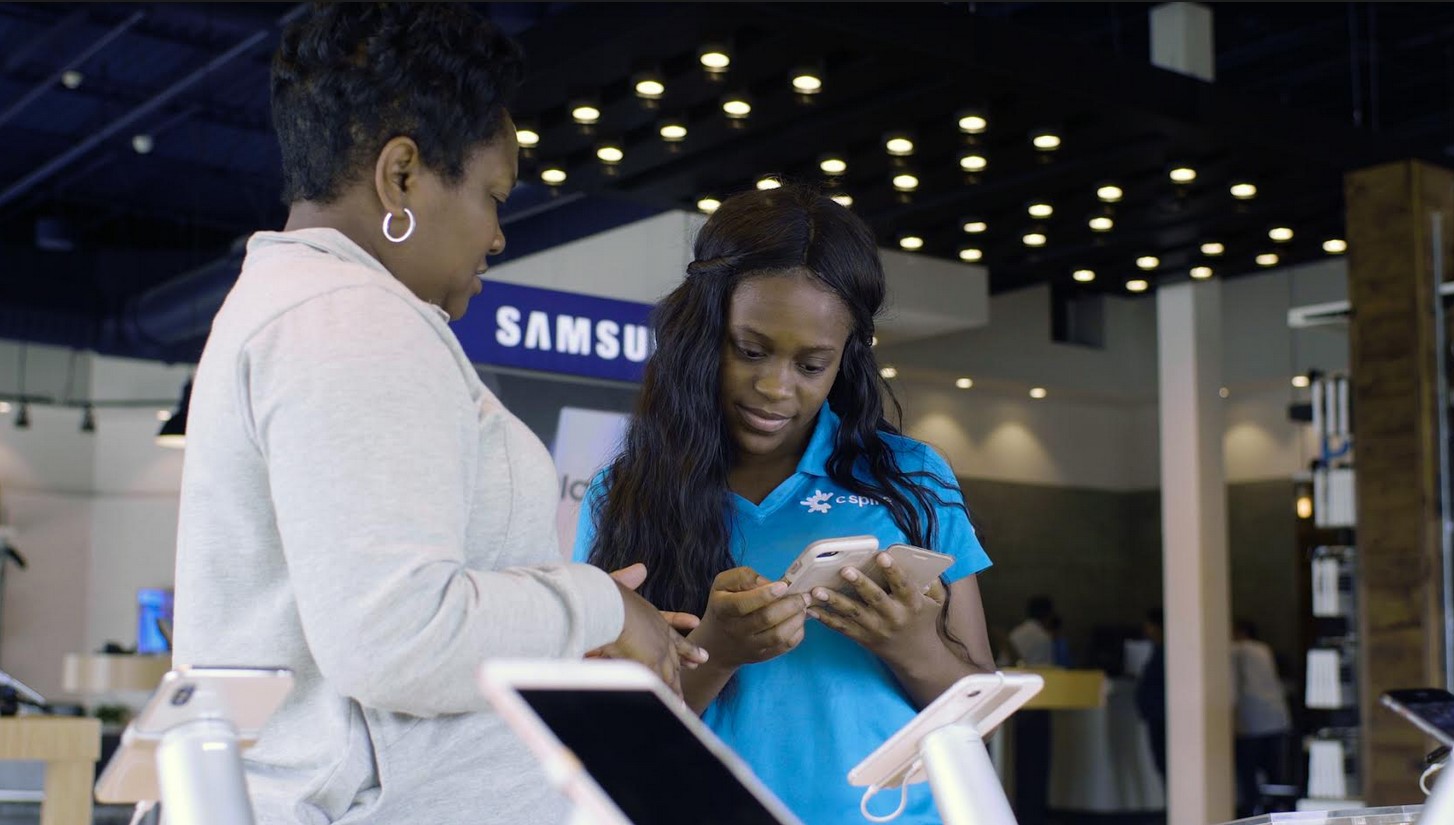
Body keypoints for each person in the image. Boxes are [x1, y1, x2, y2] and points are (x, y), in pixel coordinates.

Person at [171, 5, 701, 824]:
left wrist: (561, 630)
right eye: (493, 197)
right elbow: (396, 637)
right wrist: (596, 604)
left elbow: (383, 616)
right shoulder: (353, 320)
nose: (497, 235)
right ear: (402, 176)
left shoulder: (305, 306)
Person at [574, 184, 997, 825]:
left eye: (811, 365)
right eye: (750, 351)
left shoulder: (909, 477)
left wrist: (913, 645)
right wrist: (717, 651)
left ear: (845, 358)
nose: (775, 387)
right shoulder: (624, 496)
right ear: (702, 331)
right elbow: (613, 743)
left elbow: (980, 719)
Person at [1232, 619, 1292, 818]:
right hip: (1276, 718)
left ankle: (1253, 813)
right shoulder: (1264, 649)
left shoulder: (1236, 651)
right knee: (1275, 772)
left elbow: (1232, 689)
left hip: (1250, 722)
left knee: (1248, 774)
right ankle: (1278, 810)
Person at [1007, 597, 1057, 825]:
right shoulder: (1043, 638)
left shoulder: (1016, 633)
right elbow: (1049, 673)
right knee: (1037, 764)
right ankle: (1034, 815)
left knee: (1020, 763)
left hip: (1016, 706)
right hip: (1038, 705)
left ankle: (1020, 811)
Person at [1135, 608, 1168, 780]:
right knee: (1162, 763)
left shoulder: (1165, 652)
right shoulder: (1157, 650)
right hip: (1156, 713)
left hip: (1161, 714)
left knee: (1165, 763)